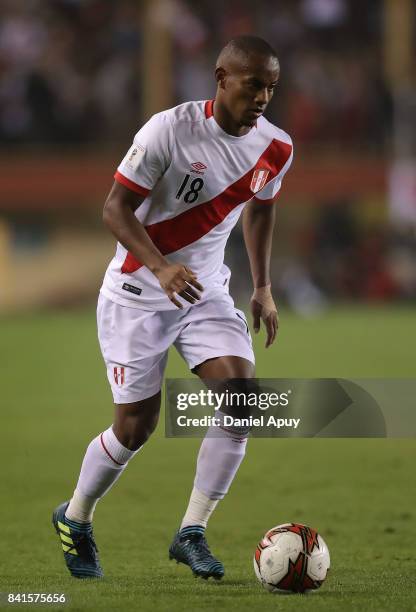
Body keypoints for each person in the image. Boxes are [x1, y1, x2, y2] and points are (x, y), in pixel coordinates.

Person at [52, 35, 293, 580]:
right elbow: (115, 209)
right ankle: (75, 516)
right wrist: (161, 267)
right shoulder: (169, 128)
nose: (262, 97)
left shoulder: (277, 147)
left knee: (244, 401)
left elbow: (261, 211)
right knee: (136, 427)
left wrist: (261, 286)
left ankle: (192, 532)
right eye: (253, 83)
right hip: (139, 292)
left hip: (205, 290)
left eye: (271, 87)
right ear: (221, 77)